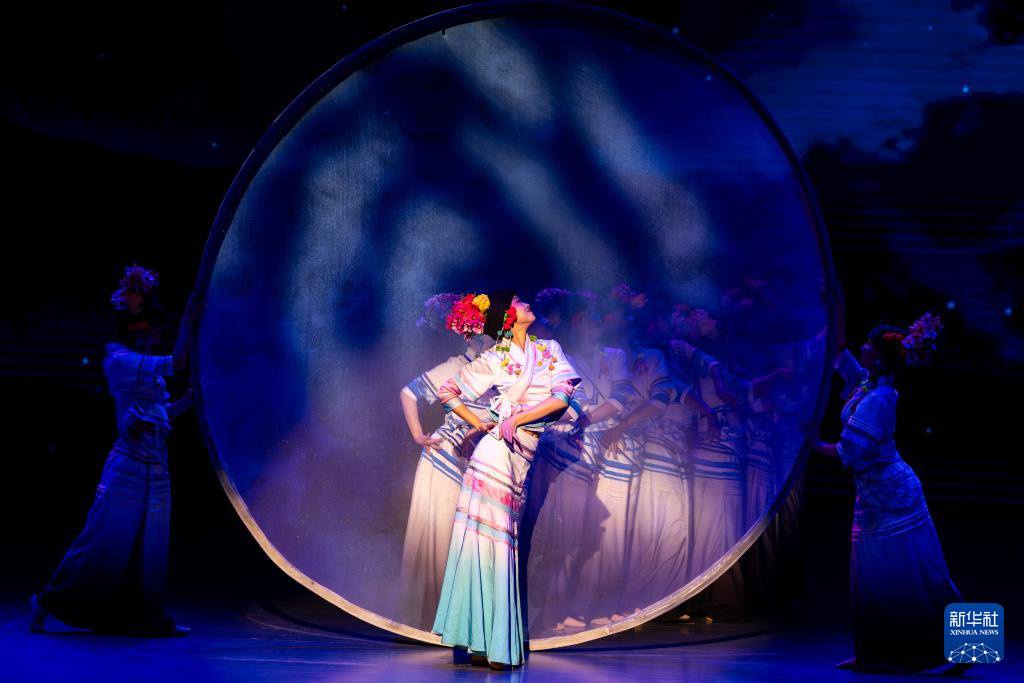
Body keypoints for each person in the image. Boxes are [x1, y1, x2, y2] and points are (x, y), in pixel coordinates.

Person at [30, 265, 201, 636]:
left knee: (151, 545)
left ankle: (148, 615)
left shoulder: (142, 366)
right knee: (102, 539)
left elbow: (160, 412)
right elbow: (177, 362)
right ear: (134, 329)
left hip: (156, 461)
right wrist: (189, 319)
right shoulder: (119, 360)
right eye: (150, 331)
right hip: (129, 465)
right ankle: (48, 600)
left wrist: (189, 400)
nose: (155, 336)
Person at [805, 300, 964, 673]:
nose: (862, 347)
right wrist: (836, 299)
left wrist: (813, 442)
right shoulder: (868, 382)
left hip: (895, 498)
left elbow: (849, 451)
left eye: (868, 344)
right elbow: (839, 349)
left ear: (878, 356)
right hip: (875, 496)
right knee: (872, 577)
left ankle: (974, 647)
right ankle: (875, 653)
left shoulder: (880, 398)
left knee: (926, 576)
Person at [432, 291, 580, 669]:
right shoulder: (495, 356)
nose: (525, 302)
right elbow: (447, 392)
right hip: (494, 453)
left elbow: (563, 399)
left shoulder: (548, 349)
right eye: (516, 302)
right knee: (489, 543)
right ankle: (488, 643)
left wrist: (516, 418)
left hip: (522, 451)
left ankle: (488, 641)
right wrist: (480, 423)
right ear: (506, 317)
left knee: (501, 543)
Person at [397, 294, 494, 628]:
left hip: (476, 463)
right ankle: (437, 615)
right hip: (445, 459)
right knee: (443, 537)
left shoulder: (497, 374)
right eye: (489, 338)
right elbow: (408, 393)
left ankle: (457, 615)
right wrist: (418, 434)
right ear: (475, 339)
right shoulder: (455, 367)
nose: (496, 343)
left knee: (463, 538)